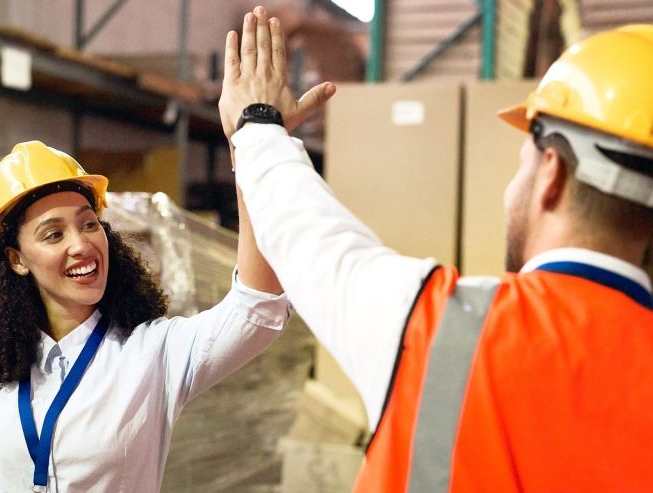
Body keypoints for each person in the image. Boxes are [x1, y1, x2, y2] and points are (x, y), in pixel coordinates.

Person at [220, 6, 652, 492]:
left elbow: (310, 236)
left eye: (521, 163)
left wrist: (256, 122)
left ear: (551, 173)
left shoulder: (447, 331)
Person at [0, 140, 290, 492]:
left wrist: (254, 146)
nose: (81, 245)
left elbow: (255, 308)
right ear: (17, 259)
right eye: (53, 234)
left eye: (88, 224)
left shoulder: (152, 353)